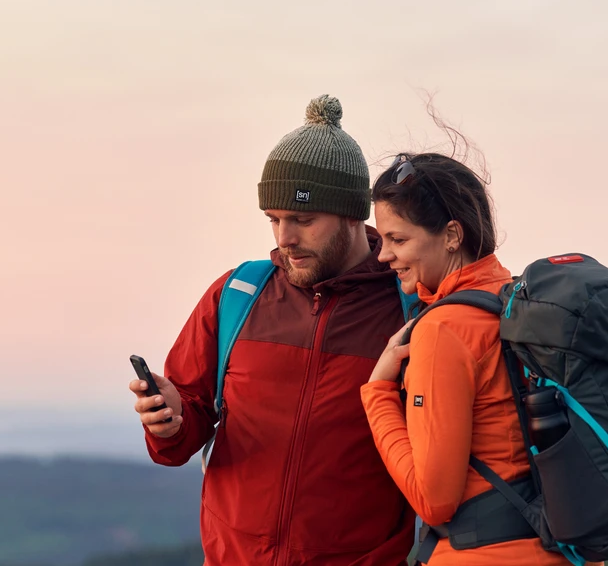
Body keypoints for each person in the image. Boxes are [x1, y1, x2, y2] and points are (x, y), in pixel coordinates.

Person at [129, 95, 416, 565]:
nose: (284, 238)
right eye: (274, 220)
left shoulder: (408, 309)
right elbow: (184, 433)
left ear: (352, 214)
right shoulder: (237, 295)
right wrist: (170, 419)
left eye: (303, 220)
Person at [360, 151, 602, 565]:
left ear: (452, 235)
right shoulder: (518, 303)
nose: (384, 256)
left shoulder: (444, 328)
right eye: (382, 240)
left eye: (398, 240)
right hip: (566, 550)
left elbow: (435, 502)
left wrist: (378, 393)